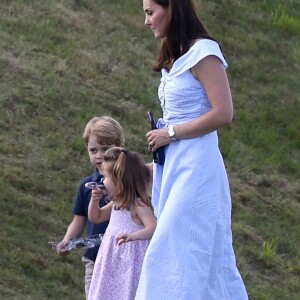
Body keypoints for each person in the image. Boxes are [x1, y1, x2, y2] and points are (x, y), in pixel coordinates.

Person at [135, 1, 249, 299]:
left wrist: (170, 132)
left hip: (197, 167)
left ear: (172, 8)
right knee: (190, 256)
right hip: (174, 166)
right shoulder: (175, 56)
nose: (146, 21)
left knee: (172, 252)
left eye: (150, 12)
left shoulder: (204, 52)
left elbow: (223, 113)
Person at [56, 116, 125, 299]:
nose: (99, 155)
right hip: (94, 258)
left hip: (122, 258)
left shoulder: (129, 182)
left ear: (120, 148)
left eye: (106, 149)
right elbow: (79, 220)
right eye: (93, 150)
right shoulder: (87, 185)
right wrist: (67, 240)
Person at [88, 147, 157, 300]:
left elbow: (153, 228)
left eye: (106, 177)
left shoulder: (138, 206)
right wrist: (94, 200)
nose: (103, 181)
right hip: (111, 262)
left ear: (120, 181)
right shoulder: (117, 204)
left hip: (129, 264)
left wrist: (133, 236)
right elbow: (96, 217)